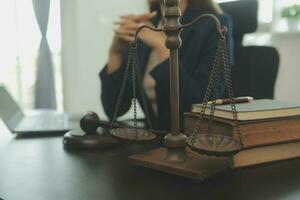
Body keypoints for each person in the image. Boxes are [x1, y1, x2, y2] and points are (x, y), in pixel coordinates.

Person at [100, 0, 234, 131]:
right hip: (154, 142)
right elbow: (114, 109)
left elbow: (200, 111)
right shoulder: (145, 27)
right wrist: (115, 53)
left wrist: (163, 48)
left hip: (196, 142)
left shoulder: (214, 25)